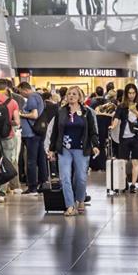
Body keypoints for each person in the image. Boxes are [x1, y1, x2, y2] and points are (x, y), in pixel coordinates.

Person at [46, 86, 100, 217]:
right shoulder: (61, 112)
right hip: (65, 149)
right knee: (65, 177)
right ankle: (70, 206)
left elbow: (93, 131)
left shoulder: (87, 112)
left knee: (81, 178)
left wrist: (95, 145)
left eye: (74, 94)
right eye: (69, 94)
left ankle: (80, 199)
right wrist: (52, 149)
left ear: (80, 97)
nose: (71, 96)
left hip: (82, 148)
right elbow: (55, 132)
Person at [110, 83, 138, 194]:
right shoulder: (121, 106)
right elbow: (116, 118)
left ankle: (133, 184)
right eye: (129, 93)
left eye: (133, 93)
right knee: (123, 162)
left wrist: (135, 111)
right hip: (124, 137)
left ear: (136, 93)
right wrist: (113, 126)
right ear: (126, 94)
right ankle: (124, 182)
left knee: (135, 161)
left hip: (136, 137)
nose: (131, 95)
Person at [0, 79, 22, 200]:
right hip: (8, 136)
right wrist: (8, 123)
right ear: (7, 88)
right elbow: (17, 122)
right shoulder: (13, 102)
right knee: (6, 162)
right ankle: (3, 191)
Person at [18, 82, 45, 195]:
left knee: (31, 161)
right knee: (40, 159)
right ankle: (43, 183)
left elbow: (34, 115)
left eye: (20, 92)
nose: (21, 94)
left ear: (25, 90)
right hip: (38, 133)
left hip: (31, 135)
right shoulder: (38, 96)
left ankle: (32, 186)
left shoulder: (32, 98)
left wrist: (21, 114)